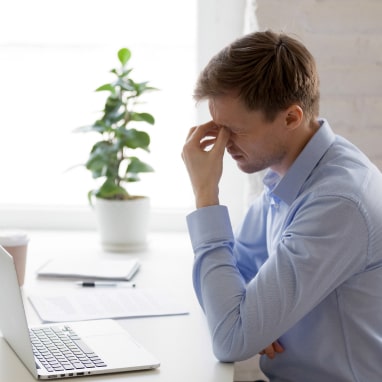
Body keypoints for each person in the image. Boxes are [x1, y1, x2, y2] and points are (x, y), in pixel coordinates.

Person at [181, 30, 382, 381]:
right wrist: (248, 319)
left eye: (235, 130)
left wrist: (205, 196)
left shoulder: (336, 203)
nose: (223, 144)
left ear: (291, 117)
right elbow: (234, 284)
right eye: (218, 127)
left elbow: (230, 336)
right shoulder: (286, 176)